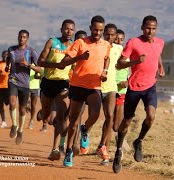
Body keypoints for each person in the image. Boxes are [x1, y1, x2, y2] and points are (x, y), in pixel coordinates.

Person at [112, 15, 165, 173]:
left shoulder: (160, 42)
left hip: (150, 86)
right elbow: (119, 64)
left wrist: (160, 67)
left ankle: (139, 141)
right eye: (148, 28)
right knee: (127, 121)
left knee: (151, 116)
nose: (150, 31)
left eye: (154, 28)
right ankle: (118, 150)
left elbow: (157, 54)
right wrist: (135, 62)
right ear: (142, 27)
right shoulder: (133, 42)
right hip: (134, 87)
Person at [58, 15, 111, 167]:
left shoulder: (105, 44)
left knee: (95, 114)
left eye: (100, 30)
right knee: (73, 122)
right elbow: (63, 63)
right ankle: (68, 151)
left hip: (94, 87)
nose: (97, 33)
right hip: (78, 86)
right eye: (95, 30)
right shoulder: (80, 42)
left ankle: (85, 129)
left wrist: (105, 71)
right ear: (90, 28)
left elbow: (106, 58)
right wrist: (80, 57)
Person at [37, 19, 75, 161]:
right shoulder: (52, 42)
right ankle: (42, 112)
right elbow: (40, 61)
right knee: (47, 116)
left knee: (61, 118)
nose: (69, 32)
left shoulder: (74, 47)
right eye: (66, 29)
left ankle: (55, 149)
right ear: (61, 30)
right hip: (48, 82)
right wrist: (55, 65)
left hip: (63, 84)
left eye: (71, 29)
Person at [5, 29, 40, 145]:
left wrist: (28, 65)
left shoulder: (31, 51)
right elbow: (8, 59)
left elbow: (40, 68)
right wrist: (7, 66)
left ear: (27, 39)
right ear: (18, 37)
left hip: (25, 84)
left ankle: (20, 130)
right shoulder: (11, 49)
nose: (21, 39)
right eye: (20, 36)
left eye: (24, 37)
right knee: (12, 102)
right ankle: (14, 125)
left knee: (22, 109)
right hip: (13, 80)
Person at [96, 23, 123, 165]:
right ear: (103, 33)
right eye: (107, 34)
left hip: (112, 87)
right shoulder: (98, 46)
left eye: (113, 35)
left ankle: (103, 147)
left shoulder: (119, 49)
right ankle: (83, 133)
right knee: (92, 116)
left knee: (110, 117)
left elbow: (125, 64)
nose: (110, 37)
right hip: (96, 86)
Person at [71, 30, 88, 156]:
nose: (80, 42)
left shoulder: (88, 54)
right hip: (66, 85)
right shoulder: (70, 52)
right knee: (61, 119)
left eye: (83, 39)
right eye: (78, 40)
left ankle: (74, 145)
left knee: (77, 118)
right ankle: (61, 142)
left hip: (80, 87)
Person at [0, 50, 10, 128]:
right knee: (1, 105)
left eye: (6, 55)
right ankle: (3, 121)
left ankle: (14, 122)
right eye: (3, 55)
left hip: (9, 87)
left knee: (10, 104)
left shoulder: (11, 64)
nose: (4, 57)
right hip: (0, 87)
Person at [27, 65, 44, 129]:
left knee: (33, 105)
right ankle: (29, 109)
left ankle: (31, 121)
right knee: (26, 103)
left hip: (35, 87)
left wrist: (38, 76)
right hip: (26, 86)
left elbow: (42, 75)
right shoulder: (27, 64)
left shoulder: (38, 66)